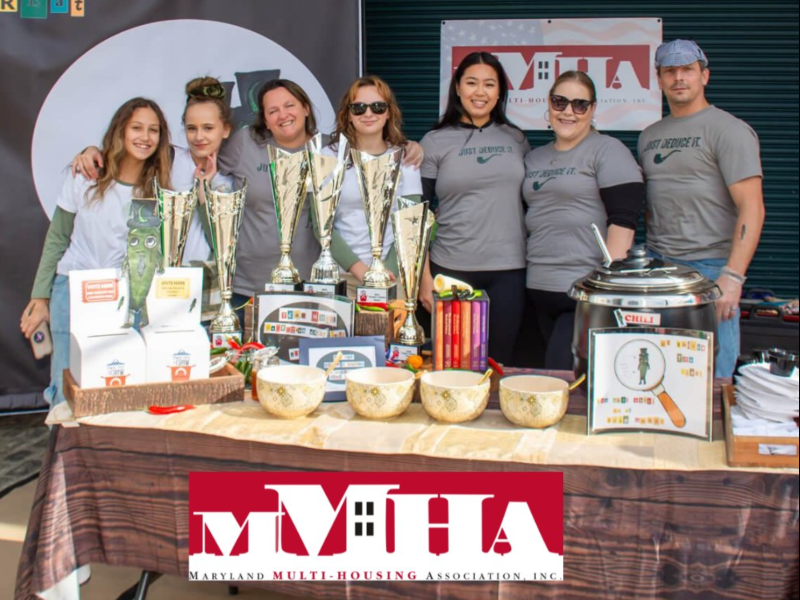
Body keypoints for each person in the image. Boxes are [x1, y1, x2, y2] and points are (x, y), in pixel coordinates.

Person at [20, 98, 172, 406]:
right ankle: (63, 453)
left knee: (121, 380)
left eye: (153, 130)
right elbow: (57, 238)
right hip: (72, 291)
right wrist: (40, 298)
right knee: (65, 385)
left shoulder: (158, 187)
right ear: (121, 130)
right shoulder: (86, 175)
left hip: (127, 296)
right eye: (137, 128)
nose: (145, 137)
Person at [638, 40, 764, 378]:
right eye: (670, 71)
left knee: (711, 380)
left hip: (710, 272)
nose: (679, 78)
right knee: (659, 375)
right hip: (659, 271)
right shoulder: (649, 136)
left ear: (704, 76)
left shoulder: (729, 130)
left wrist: (733, 277)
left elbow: (752, 207)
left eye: (687, 70)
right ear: (659, 79)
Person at [523, 71, 644, 369]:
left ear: (592, 109)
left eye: (579, 105)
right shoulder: (532, 158)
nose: (567, 111)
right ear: (549, 104)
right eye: (560, 101)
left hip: (583, 292)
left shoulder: (608, 150)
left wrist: (606, 287)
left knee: (562, 378)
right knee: (532, 379)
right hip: (534, 287)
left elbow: (625, 220)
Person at [418, 51, 530, 366]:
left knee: (500, 363)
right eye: (471, 82)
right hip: (451, 268)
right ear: (457, 88)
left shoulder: (517, 139)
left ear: (500, 92)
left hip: (509, 269)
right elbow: (418, 216)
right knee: (453, 364)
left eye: (489, 84)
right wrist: (424, 278)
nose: (480, 92)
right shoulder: (435, 141)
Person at [325, 75, 422, 295]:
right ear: (348, 115)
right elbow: (319, 224)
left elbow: (412, 223)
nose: (368, 114)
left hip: (393, 277)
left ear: (388, 113)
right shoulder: (327, 158)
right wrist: (361, 271)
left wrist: (385, 272)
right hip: (341, 277)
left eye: (378, 107)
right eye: (358, 108)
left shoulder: (406, 159)